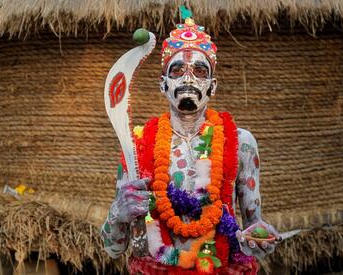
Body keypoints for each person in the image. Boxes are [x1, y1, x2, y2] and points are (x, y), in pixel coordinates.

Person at [101, 15, 279, 275]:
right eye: (177, 71)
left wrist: (259, 240)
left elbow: (253, 230)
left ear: (212, 86)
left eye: (199, 71)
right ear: (163, 84)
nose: (188, 78)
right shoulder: (136, 145)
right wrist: (117, 214)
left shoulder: (242, 143)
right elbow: (113, 249)